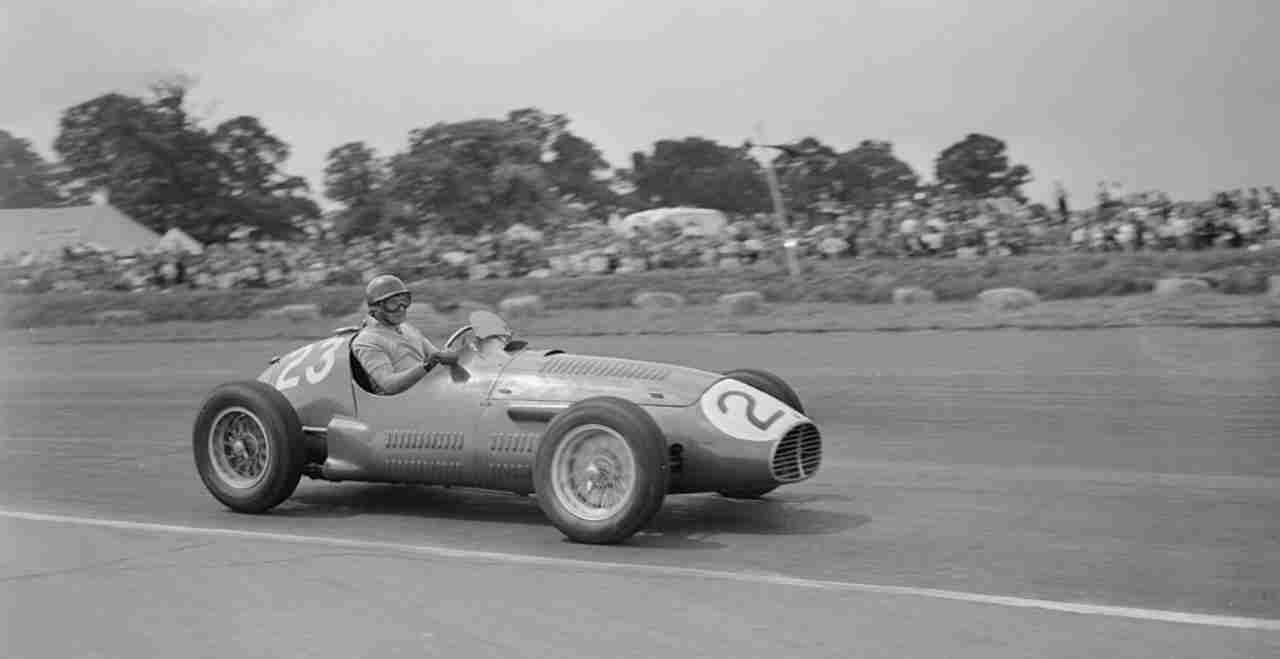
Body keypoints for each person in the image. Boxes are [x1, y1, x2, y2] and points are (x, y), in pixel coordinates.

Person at [351, 274, 460, 395]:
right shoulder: (367, 341)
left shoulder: (407, 328)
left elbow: (435, 355)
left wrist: (451, 356)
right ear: (375, 308)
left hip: (430, 392)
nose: (401, 308)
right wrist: (427, 365)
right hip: (404, 404)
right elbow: (388, 385)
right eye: (392, 303)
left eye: (404, 301)